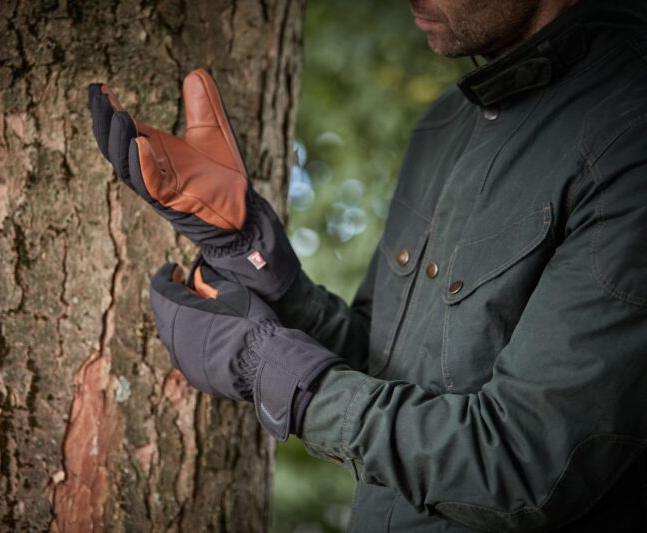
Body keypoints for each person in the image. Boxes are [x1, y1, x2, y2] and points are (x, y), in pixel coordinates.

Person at [88, 0, 647, 529]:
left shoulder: (628, 125)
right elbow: (380, 369)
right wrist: (249, 248)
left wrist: (269, 369)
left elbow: (526, 464)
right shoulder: (447, 125)